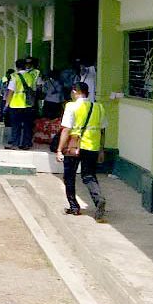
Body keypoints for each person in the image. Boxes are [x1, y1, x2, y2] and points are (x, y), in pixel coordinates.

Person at [55, 81, 107, 221]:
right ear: (88, 93)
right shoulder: (99, 107)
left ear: (74, 92)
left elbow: (66, 129)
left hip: (74, 147)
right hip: (92, 147)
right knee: (89, 175)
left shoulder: (71, 106)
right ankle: (99, 199)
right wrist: (101, 150)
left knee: (69, 176)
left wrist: (59, 149)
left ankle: (74, 207)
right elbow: (102, 130)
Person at [6, 57, 42, 150]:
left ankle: (15, 144)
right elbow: (35, 88)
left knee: (16, 126)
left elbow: (10, 91)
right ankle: (26, 143)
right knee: (27, 125)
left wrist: (7, 103)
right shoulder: (30, 76)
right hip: (28, 104)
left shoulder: (14, 76)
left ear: (17, 67)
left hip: (16, 104)